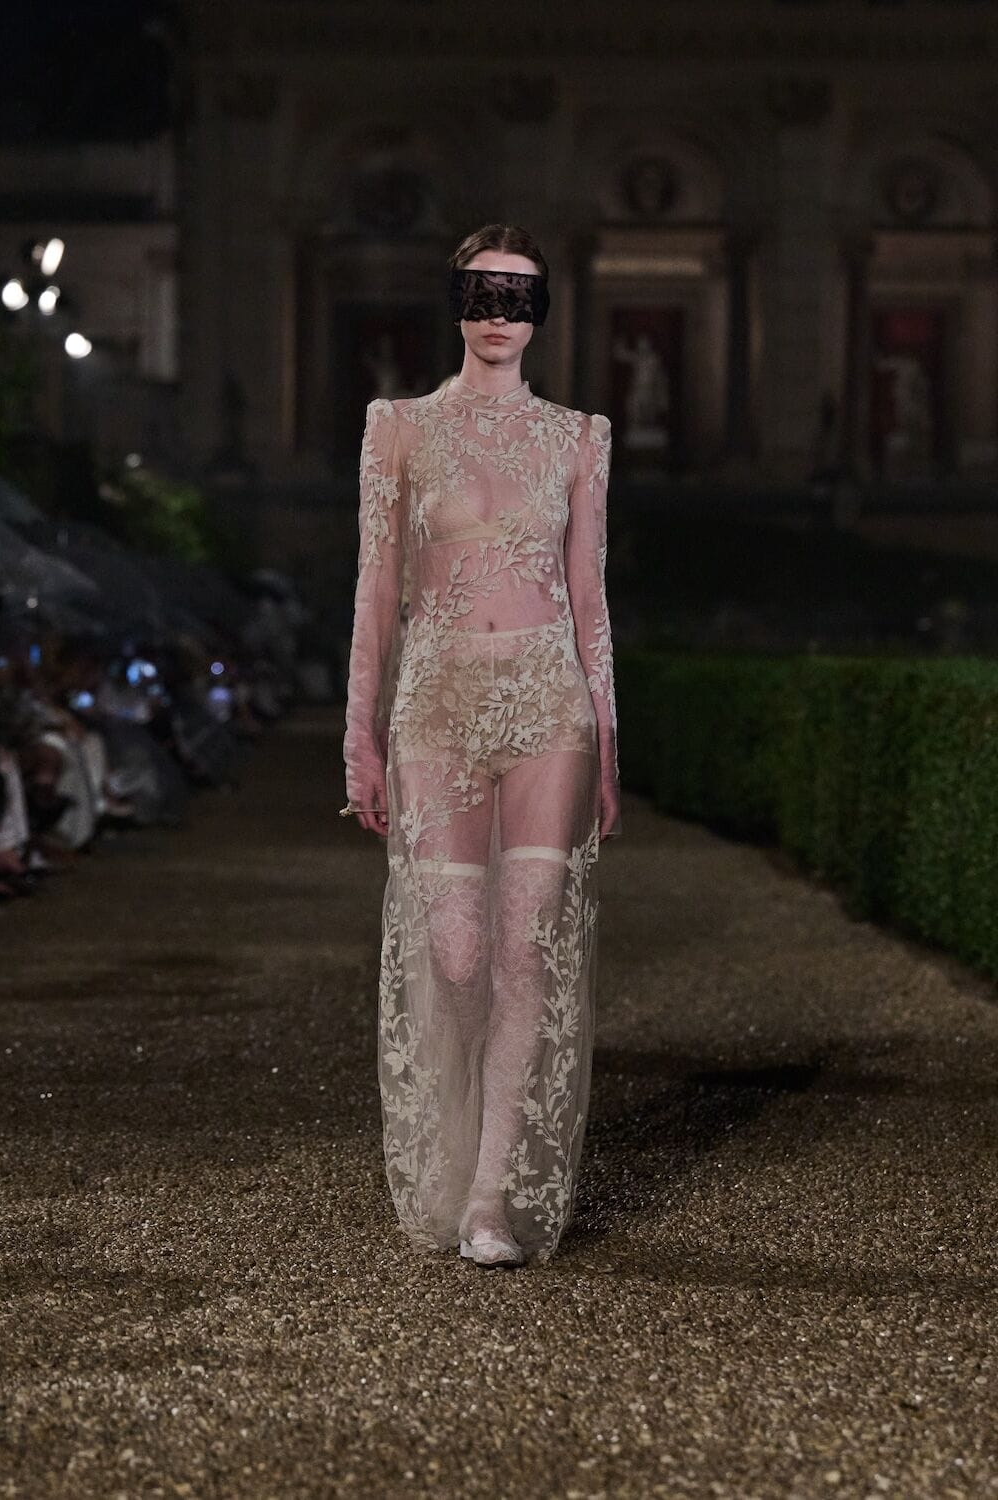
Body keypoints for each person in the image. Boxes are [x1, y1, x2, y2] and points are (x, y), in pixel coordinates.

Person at [342, 223, 621, 1268]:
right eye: (482, 294)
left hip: (549, 704)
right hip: (438, 703)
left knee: (526, 948)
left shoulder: (579, 437)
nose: (499, 316)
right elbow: (375, 588)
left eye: (519, 297)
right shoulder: (399, 427)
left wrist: (610, 742)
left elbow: (590, 597)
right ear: (456, 302)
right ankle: (455, 1143)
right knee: (456, 952)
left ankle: (492, 1195)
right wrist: (358, 735)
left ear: (541, 313)